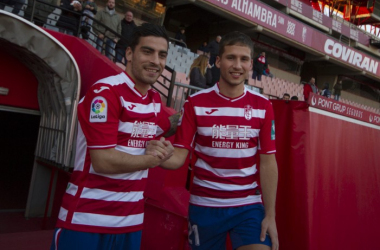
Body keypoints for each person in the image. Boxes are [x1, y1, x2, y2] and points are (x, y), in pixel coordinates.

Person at [50, 23, 179, 250]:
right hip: (87, 221)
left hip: (131, 224)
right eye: (147, 51)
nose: (156, 61)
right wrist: (153, 159)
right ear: (129, 53)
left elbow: (162, 128)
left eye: (162, 55)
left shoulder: (154, 100)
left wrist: (174, 135)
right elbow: (103, 161)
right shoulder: (105, 93)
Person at [146, 31, 279, 250]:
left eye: (244, 59)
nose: (237, 65)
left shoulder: (264, 106)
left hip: (248, 205)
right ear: (218, 61)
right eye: (231, 57)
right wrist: (154, 153)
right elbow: (179, 157)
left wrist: (271, 215)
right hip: (204, 205)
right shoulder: (195, 103)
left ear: (250, 65)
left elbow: (268, 162)